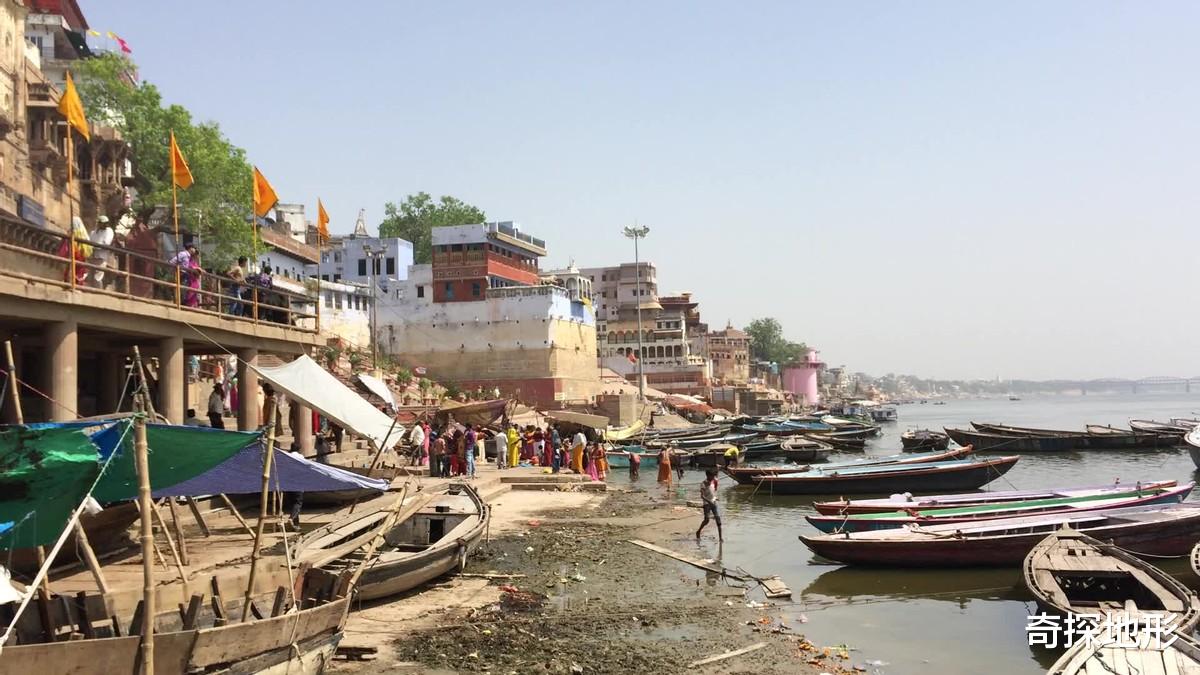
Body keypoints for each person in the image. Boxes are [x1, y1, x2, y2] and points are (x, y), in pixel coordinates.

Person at [696, 469, 723, 541]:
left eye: (714, 476)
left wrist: (715, 498)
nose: (713, 477)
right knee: (707, 519)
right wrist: (709, 501)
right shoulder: (703, 484)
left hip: (714, 502)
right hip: (707, 503)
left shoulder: (714, 481)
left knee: (718, 519)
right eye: (712, 476)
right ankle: (698, 531)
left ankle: (720, 538)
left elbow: (714, 490)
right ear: (708, 476)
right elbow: (702, 496)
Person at [89, 215, 114, 288]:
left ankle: (98, 291)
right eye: (102, 223)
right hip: (93, 255)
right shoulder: (94, 232)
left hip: (101, 257)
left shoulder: (109, 231)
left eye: (105, 223)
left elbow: (106, 243)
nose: (104, 225)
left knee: (98, 277)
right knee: (90, 276)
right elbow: (90, 241)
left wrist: (95, 246)